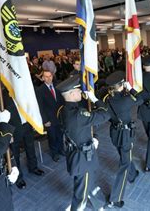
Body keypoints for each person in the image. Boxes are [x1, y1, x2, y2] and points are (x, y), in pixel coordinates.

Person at [56, 75, 110, 211]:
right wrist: (95, 99)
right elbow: (105, 114)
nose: (81, 92)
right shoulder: (78, 114)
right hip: (83, 158)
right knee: (81, 192)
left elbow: (80, 129)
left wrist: (92, 138)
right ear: (72, 93)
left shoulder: (63, 110)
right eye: (78, 91)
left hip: (76, 152)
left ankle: (97, 204)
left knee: (86, 182)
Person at [102, 71, 143, 208]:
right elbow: (141, 98)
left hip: (114, 133)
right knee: (124, 164)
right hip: (125, 135)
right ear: (121, 85)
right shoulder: (125, 99)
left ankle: (132, 174)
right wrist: (130, 88)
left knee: (124, 155)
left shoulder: (106, 99)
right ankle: (115, 198)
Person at [36, 70, 65, 162]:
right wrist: (45, 120)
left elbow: (62, 101)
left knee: (60, 135)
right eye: (46, 76)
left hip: (59, 117)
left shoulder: (58, 86)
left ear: (52, 76)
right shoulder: (40, 90)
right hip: (49, 119)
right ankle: (55, 153)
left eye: (50, 76)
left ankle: (61, 149)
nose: (48, 78)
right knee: (52, 137)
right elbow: (40, 107)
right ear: (43, 78)